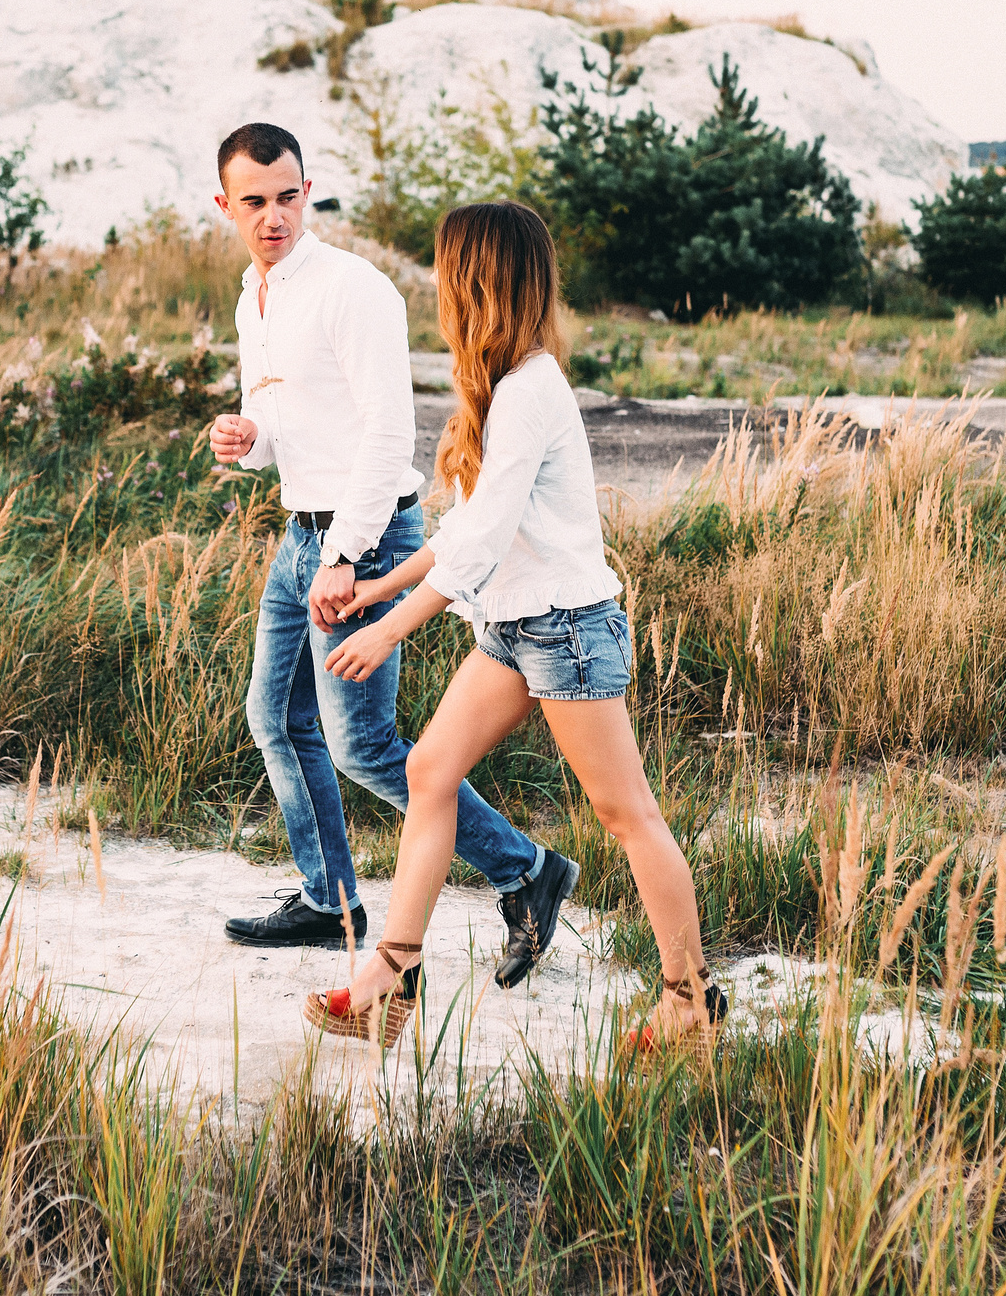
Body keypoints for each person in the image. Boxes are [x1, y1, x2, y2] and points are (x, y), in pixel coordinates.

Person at [304, 200, 724, 1055]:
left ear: (476, 282)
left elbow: (485, 542)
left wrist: (391, 630)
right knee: (429, 768)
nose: (439, 292)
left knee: (627, 814)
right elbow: (466, 525)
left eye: (448, 273)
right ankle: (391, 977)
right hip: (513, 630)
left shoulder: (530, 392)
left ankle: (690, 1002)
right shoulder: (498, 387)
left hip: (567, 632)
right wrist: (380, 584)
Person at [204, 123, 580, 986]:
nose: (274, 217)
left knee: (363, 745)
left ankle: (527, 869)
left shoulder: (353, 288)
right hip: (303, 532)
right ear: (225, 205)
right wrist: (250, 438)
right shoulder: (251, 299)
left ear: (309, 190)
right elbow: (296, 426)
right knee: (277, 718)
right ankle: (327, 897)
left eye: (288, 196)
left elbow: (387, 434)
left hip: (364, 535)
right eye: (254, 202)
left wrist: (345, 555)